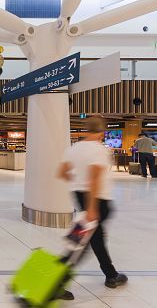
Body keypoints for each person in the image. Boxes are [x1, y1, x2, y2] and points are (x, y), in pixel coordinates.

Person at [58, 117, 127, 290]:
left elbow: (62, 173)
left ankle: (111, 275)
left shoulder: (73, 149)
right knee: (82, 243)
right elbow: (94, 179)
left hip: (80, 196)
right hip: (97, 200)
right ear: (102, 132)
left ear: (85, 130)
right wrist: (92, 208)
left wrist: (77, 181)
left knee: (92, 238)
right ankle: (58, 281)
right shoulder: (99, 150)